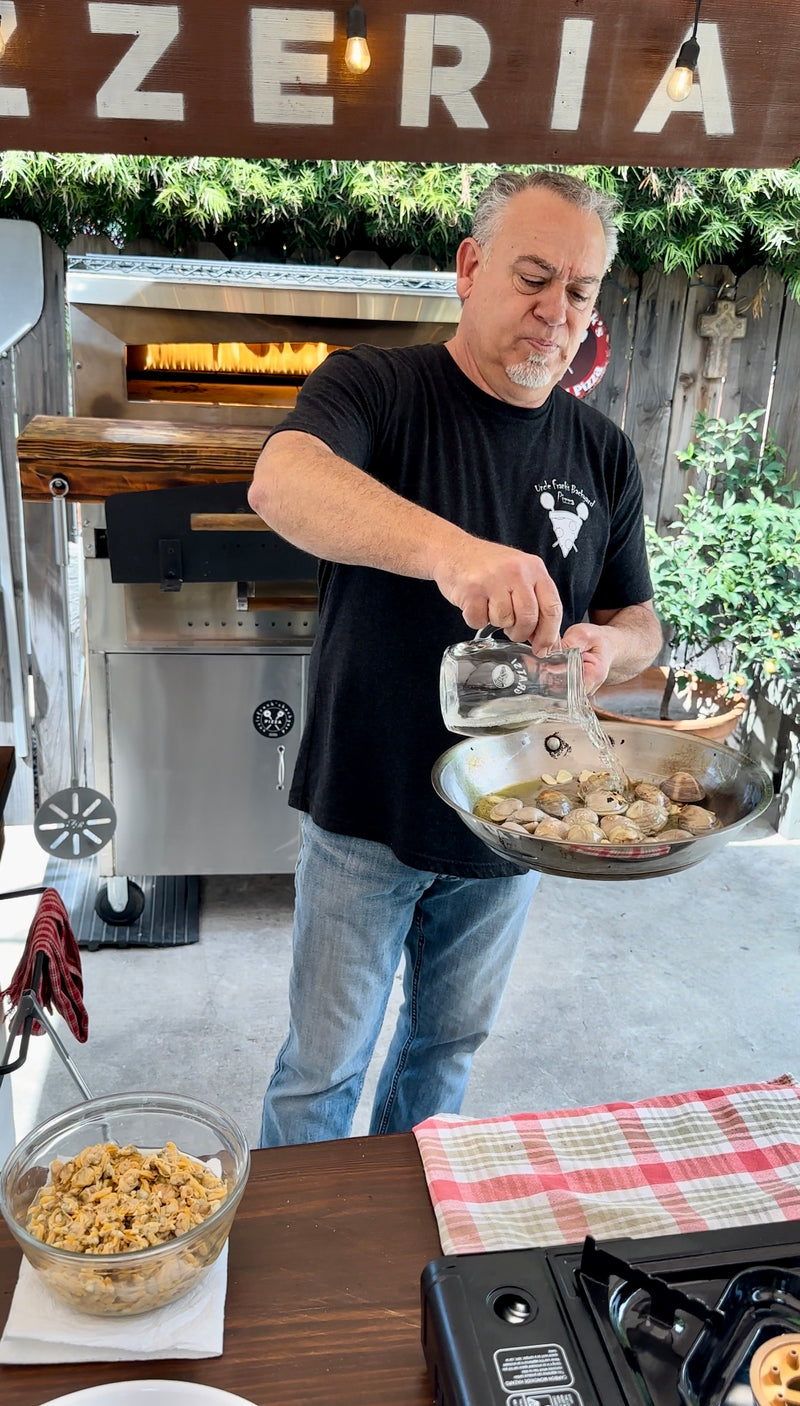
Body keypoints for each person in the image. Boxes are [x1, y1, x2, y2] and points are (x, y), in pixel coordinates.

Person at [247, 169, 663, 1147]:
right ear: (468, 269)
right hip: (366, 812)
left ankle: (407, 1242)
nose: (554, 311)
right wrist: (454, 552)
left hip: (515, 826)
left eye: (579, 290)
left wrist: (613, 645)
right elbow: (281, 481)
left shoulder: (601, 453)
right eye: (531, 276)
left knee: (443, 1055)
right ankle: (293, 1276)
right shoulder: (374, 388)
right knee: (320, 1071)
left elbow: (640, 619)